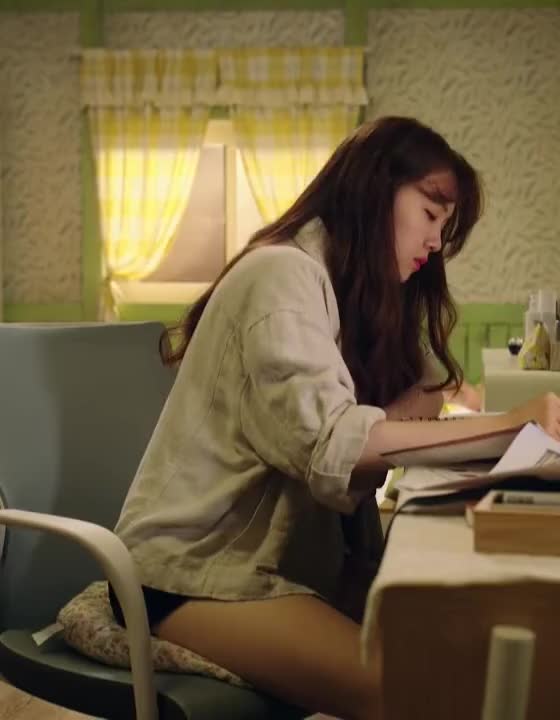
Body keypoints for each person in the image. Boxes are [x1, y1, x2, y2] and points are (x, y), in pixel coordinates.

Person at [110, 117, 560, 720]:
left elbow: (428, 391)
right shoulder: (281, 274)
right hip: (189, 572)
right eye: (430, 214)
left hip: (267, 566)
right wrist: (516, 425)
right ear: (375, 190)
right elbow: (331, 445)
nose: (435, 242)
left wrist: (447, 403)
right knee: (415, 691)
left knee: (466, 644)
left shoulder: (343, 285)